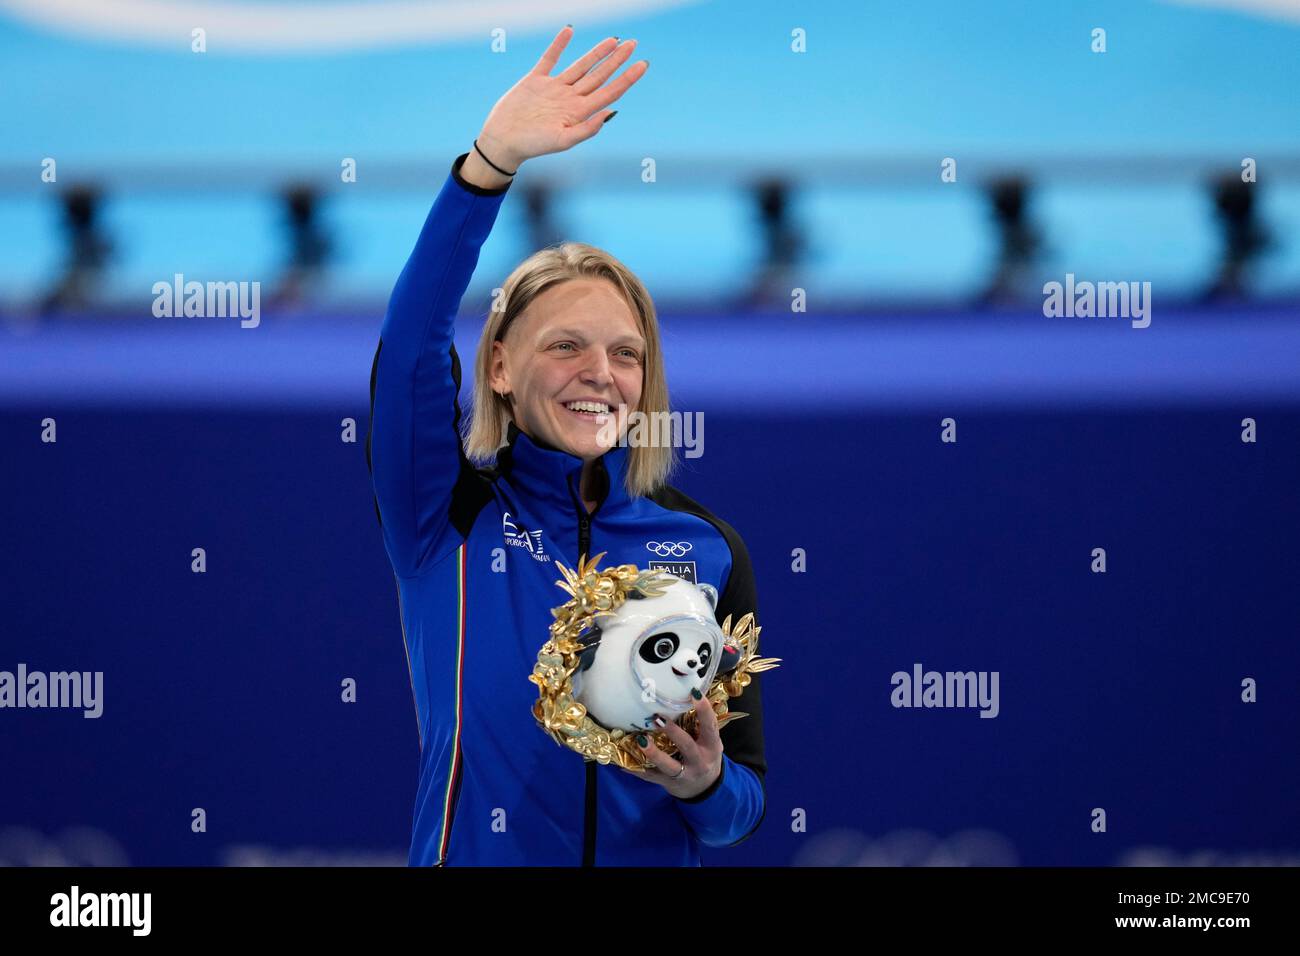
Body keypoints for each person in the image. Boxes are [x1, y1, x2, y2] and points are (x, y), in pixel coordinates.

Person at [367, 27, 767, 866]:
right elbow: (409, 351)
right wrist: (488, 168)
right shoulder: (448, 520)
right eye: (564, 346)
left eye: (625, 353)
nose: (600, 374)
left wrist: (704, 785)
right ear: (502, 368)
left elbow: (739, 813)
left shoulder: (707, 548)